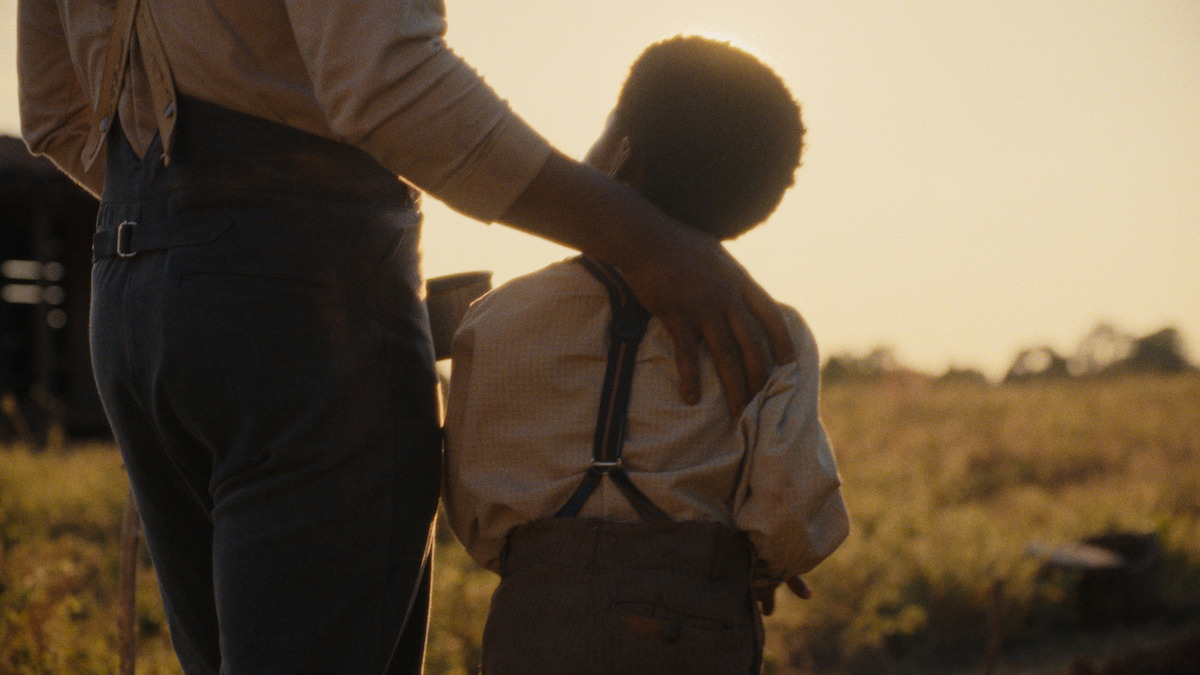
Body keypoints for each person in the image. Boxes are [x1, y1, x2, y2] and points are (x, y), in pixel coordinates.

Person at [18, 2, 795, 674]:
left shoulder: (514, 322)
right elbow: (385, 83)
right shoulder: (768, 333)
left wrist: (189, 230)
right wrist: (645, 240)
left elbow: (52, 111)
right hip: (309, 292)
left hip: (133, 295)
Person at [443, 36, 850, 674]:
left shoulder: (500, 318)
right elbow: (793, 513)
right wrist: (761, 563)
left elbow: (470, 505)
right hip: (698, 628)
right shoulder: (768, 331)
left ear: (619, 154)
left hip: (536, 624)